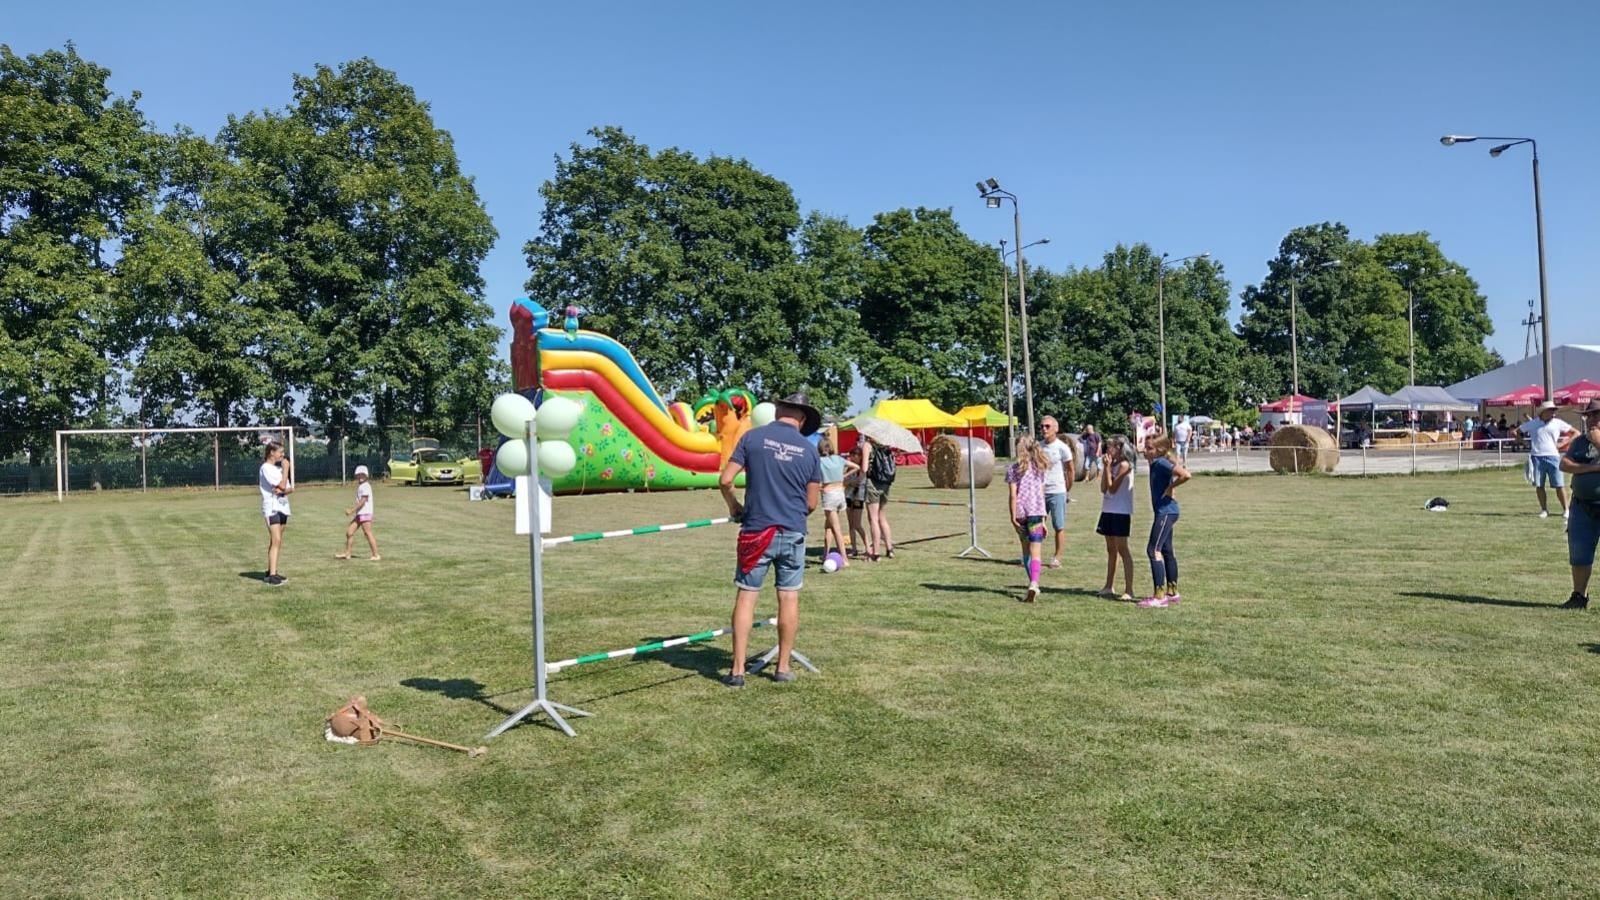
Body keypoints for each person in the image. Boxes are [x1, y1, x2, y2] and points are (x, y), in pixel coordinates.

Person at [719, 392, 823, 687]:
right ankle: (783, 667)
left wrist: (734, 506)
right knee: (788, 597)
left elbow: (726, 480)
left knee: (747, 596)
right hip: (792, 531)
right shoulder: (809, 450)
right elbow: (812, 503)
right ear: (802, 420)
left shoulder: (752, 438)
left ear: (778, 411)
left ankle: (737, 670)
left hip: (756, 531)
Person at [1137, 433, 1191, 608]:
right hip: (1166, 512)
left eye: (1149, 448)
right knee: (1167, 551)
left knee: (1153, 550)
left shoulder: (1160, 463)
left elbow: (1185, 475)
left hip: (1166, 512)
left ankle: (1159, 597)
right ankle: (1172, 592)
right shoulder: (1155, 463)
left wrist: (1170, 488)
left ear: (1159, 450)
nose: (1145, 450)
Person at [1558, 399, 1600, 608]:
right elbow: (1564, 464)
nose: (1591, 419)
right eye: (1589, 415)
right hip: (1582, 506)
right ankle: (1579, 596)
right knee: (1579, 553)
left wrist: (1599, 442)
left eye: (1596, 415)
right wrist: (1591, 468)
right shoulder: (1580, 441)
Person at [1006, 436, 1050, 603]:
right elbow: (1041, 494)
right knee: (1036, 551)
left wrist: (1012, 517)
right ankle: (1034, 582)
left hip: (1021, 514)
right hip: (1037, 513)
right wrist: (1044, 519)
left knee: (1026, 551)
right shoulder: (1040, 468)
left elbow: (1012, 495)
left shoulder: (1013, 469)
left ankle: (1032, 583)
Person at [1518, 401, 1576, 520]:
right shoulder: (1533, 423)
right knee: (1539, 485)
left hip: (1554, 457)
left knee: (1559, 485)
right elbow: (1515, 432)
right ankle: (1544, 509)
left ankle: (1566, 510)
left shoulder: (1558, 423)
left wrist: (1563, 443)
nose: (1553, 412)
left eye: (1554, 410)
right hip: (1536, 457)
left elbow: (1576, 433)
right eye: (1551, 410)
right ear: (1543, 412)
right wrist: (1524, 443)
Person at [1095, 435, 1136, 601]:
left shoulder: (1125, 465)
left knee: (1122, 549)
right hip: (1108, 509)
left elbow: (1113, 489)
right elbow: (1104, 488)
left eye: (1111, 446)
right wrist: (1107, 467)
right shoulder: (1112, 465)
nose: (1107, 449)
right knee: (1111, 549)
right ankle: (1108, 586)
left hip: (1121, 511)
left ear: (1119, 447)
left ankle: (1129, 589)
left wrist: (1107, 468)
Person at [1038, 416, 1075, 569]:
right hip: (1040, 491)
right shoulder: (1038, 447)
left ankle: (1057, 557)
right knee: (1036, 524)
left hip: (1057, 490)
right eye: (1041, 427)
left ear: (1056, 428)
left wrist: (1066, 489)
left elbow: (1070, 469)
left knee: (1058, 525)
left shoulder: (1062, 448)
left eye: (1047, 426)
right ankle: (1035, 555)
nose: (1044, 429)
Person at [815, 434, 855, 567]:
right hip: (840, 494)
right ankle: (825, 554)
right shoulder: (838, 459)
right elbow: (857, 467)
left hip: (829, 496)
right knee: (828, 527)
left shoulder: (819, 461)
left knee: (836, 529)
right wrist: (844, 475)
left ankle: (844, 559)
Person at [258, 440, 294, 585]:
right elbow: (282, 484)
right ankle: (272, 576)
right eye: (281, 452)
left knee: (277, 541)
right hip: (272, 507)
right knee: (276, 540)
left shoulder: (278, 469)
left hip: (283, 506)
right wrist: (286, 470)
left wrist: (283, 487)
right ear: (272, 452)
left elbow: (290, 488)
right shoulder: (266, 468)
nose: (283, 456)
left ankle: (271, 571)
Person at [337, 464, 381, 561]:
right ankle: (347, 553)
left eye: (362, 475)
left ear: (366, 475)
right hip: (360, 514)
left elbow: (363, 501)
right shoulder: (362, 486)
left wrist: (351, 510)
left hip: (365, 513)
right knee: (349, 532)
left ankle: (376, 555)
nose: (360, 477)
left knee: (367, 533)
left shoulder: (365, 486)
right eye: (359, 475)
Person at [865, 436, 897, 559]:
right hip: (886, 484)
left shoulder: (868, 446)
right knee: (882, 518)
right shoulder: (885, 445)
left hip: (873, 483)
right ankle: (890, 549)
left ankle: (876, 552)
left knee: (873, 519)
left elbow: (864, 468)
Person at [843, 443, 871, 559]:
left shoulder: (863, 468)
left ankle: (867, 546)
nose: (853, 457)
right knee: (850, 524)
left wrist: (849, 482)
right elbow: (843, 481)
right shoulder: (849, 468)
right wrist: (848, 482)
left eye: (856, 455)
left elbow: (859, 482)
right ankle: (854, 549)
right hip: (848, 496)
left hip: (858, 497)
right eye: (851, 455)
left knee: (857, 524)